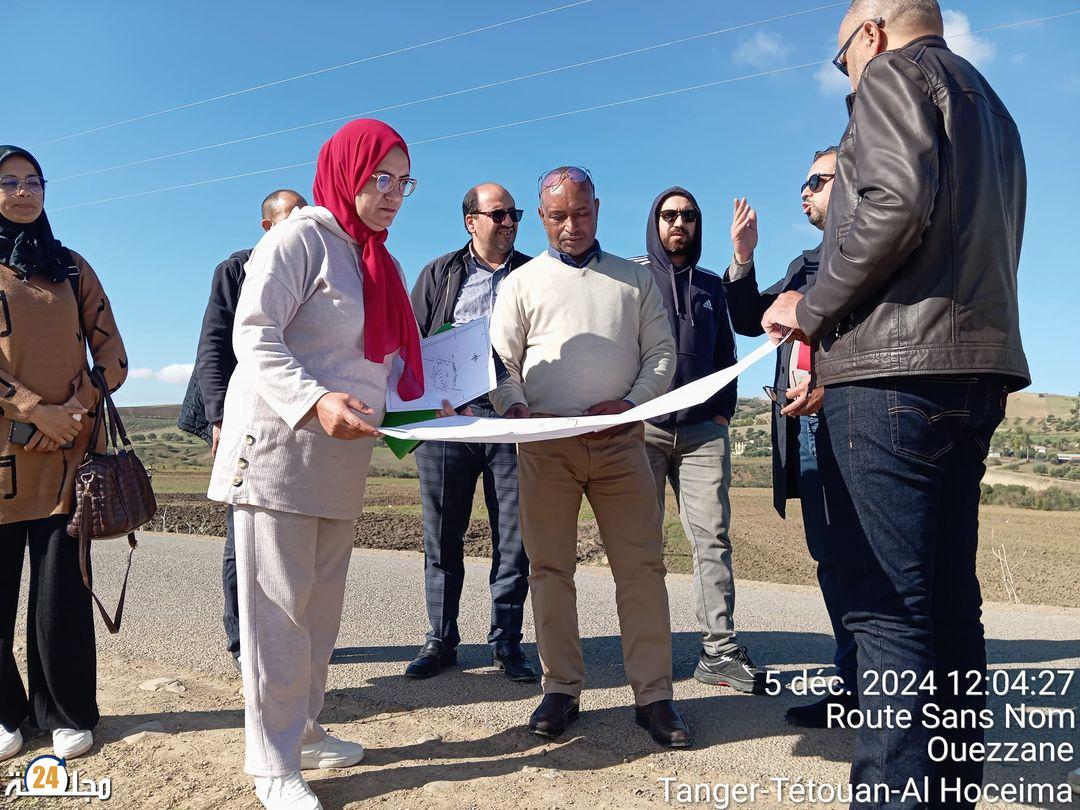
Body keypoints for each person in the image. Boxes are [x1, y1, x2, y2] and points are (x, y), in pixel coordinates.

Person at [761, 1, 1028, 804]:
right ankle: (951, 790)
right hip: (974, 373)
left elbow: (894, 204)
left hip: (890, 378)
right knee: (952, 607)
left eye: (841, 56)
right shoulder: (996, 108)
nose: (845, 71)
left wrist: (807, 309)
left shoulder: (890, 78)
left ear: (870, 35)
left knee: (885, 612)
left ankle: (891, 794)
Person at [207, 119, 424, 810]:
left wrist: (431, 410)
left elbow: (379, 365)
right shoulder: (300, 236)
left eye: (402, 181)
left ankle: (301, 731)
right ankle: (271, 762)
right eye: (379, 177)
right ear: (347, 171)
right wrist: (314, 398)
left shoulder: (378, 261)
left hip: (340, 461)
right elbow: (254, 333)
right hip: (278, 452)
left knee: (320, 612)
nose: (391, 194)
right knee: (276, 614)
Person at [491, 166, 690, 749]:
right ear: (542, 215)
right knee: (550, 569)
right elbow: (501, 361)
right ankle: (561, 689)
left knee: (642, 569)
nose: (570, 226)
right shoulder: (521, 283)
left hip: (623, 444)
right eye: (557, 217)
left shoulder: (636, 279)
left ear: (598, 209)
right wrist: (516, 407)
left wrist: (630, 404)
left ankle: (653, 697)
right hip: (545, 449)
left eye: (580, 213)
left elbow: (661, 353)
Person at [0, 146, 128, 763]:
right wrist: (30, 407)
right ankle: (6, 714)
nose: (23, 193)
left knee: (63, 598)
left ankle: (68, 712)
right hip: (2, 458)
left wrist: (75, 406)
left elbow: (111, 354)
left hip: (67, 462)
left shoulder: (72, 268)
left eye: (33, 182)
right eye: (8, 182)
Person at [724, 148, 859, 724]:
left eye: (816, 181)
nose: (804, 192)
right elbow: (748, 317)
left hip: (854, 419)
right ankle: (854, 685)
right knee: (831, 558)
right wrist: (743, 258)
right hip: (804, 428)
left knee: (868, 558)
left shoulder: (867, 255)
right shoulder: (807, 263)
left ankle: (887, 692)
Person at [630, 189, 765, 693]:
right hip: (644, 430)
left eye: (688, 216)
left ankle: (719, 651)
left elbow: (728, 353)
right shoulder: (634, 276)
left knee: (712, 539)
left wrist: (725, 414)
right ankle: (645, 652)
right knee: (640, 543)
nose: (678, 223)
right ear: (655, 221)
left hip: (703, 434)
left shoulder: (712, 285)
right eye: (669, 215)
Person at [406, 184, 535, 682]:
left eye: (514, 214)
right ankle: (440, 641)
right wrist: (420, 405)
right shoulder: (439, 273)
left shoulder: (533, 273)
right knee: (442, 537)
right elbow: (411, 343)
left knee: (514, 539)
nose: (508, 222)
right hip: (448, 424)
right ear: (470, 221)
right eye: (498, 214)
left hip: (511, 423)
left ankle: (507, 644)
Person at [179, 188, 307, 670]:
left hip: (298, 418)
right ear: (267, 226)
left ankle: (290, 633)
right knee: (244, 533)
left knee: (293, 537)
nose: (301, 226)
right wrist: (218, 418)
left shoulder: (317, 268)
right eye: (289, 218)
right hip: (244, 414)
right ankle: (243, 640)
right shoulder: (237, 269)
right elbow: (213, 345)